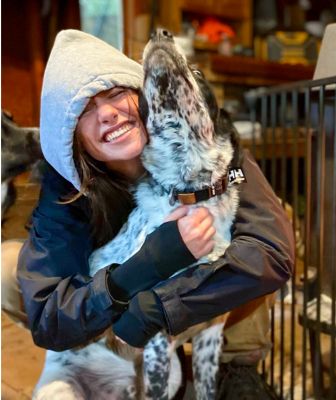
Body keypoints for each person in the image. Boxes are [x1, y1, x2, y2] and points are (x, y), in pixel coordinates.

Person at [1, 29, 294, 398]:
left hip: (176, 304)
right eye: (84, 109)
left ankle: (235, 365)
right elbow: (49, 319)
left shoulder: (209, 150)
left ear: (142, 96)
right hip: (111, 300)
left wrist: (158, 307)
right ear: (70, 134)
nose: (107, 113)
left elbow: (272, 250)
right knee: (8, 268)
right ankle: (112, 358)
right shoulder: (64, 186)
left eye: (115, 93)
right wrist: (147, 265)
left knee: (248, 241)